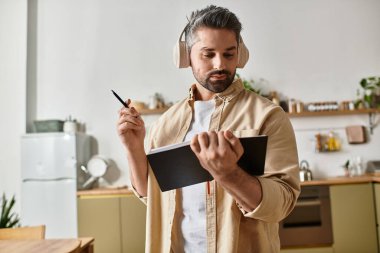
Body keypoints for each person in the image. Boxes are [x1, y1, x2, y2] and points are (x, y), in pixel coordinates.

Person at [117, 5, 300, 253]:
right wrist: (133, 148)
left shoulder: (269, 117)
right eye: (208, 54)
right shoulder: (166, 123)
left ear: (240, 55)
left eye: (228, 54)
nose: (220, 64)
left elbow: (282, 204)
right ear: (186, 57)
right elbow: (152, 197)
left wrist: (229, 174)